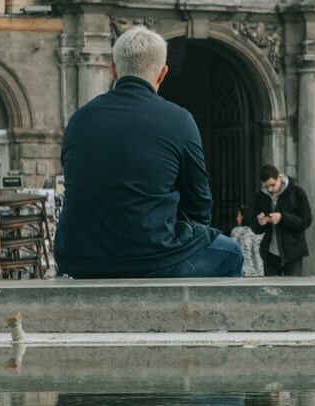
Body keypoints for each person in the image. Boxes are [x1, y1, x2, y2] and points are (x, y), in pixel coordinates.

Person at [53, 27, 241, 279]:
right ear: (162, 73)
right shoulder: (179, 120)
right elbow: (200, 203)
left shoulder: (79, 119)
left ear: (114, 70)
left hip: (78, 258)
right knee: (232, 254)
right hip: (153, 257)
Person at [245, 164, 311, 276]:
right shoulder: (261, 196)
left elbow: (306, 221)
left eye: (272, 185)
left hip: (293, 252)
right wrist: (260, 222)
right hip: (270, 253)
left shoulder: (297, 192)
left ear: (279, 178)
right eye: (266, 186)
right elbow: (255, 228)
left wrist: (282, 218)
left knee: (292, 289)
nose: (270, 189)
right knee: (271, 289)